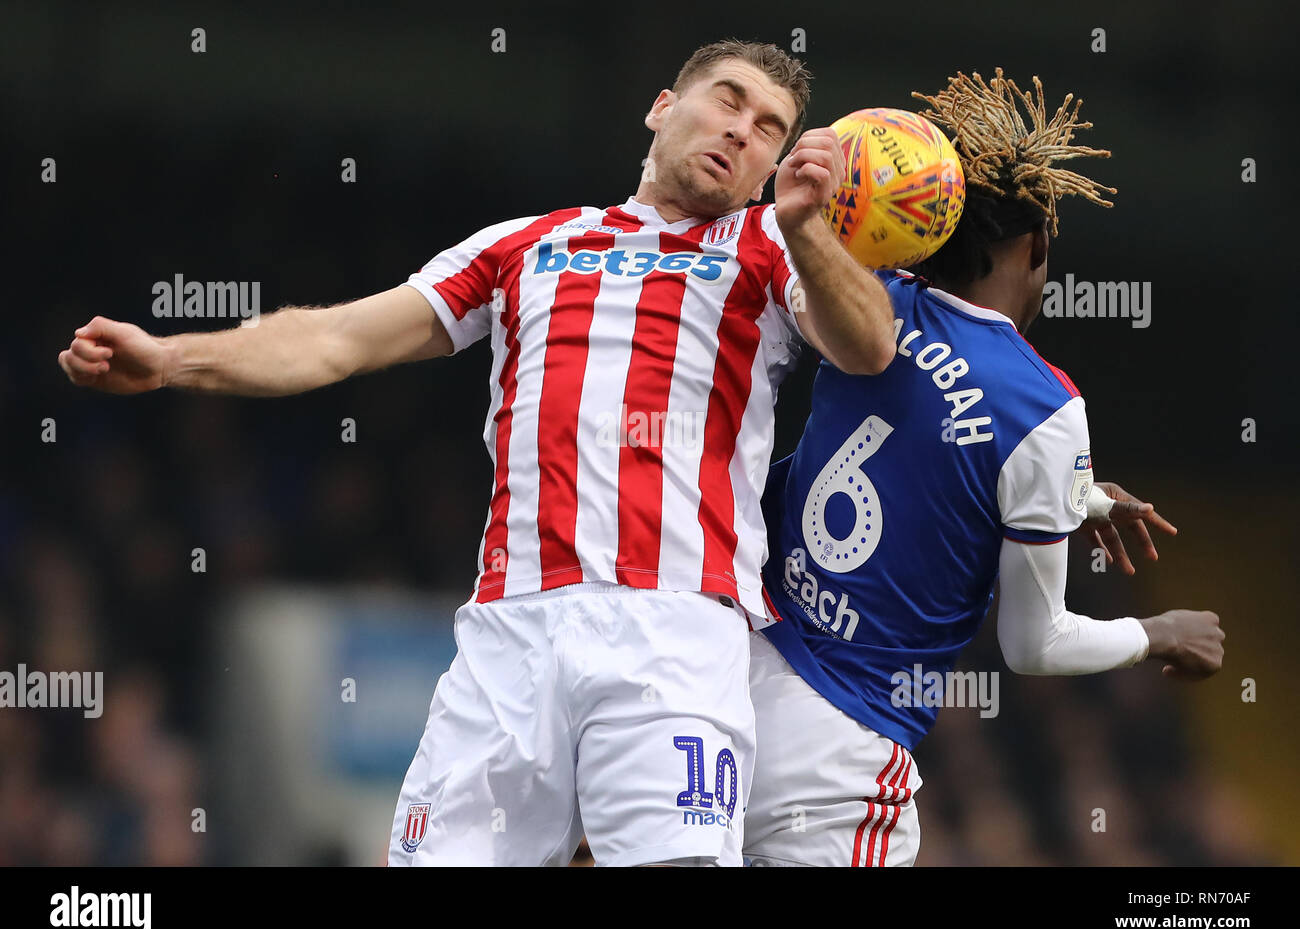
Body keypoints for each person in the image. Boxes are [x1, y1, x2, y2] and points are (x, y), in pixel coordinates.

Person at [57, 39, 899, 866]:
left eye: (770, 127)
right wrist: (170, 359)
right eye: (728, 98)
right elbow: (337, 339)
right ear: (663, 106)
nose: (743, 130)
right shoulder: (522, 246)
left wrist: (809, 230)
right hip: (510, 632)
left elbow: (871, 348)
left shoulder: (772, 250)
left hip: (675, 632)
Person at [742, 70, 1226, 867]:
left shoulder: (869, 297)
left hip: (736, 672)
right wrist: (1159, 632)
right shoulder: (1042, 407)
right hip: (840, 748)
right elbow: (1037, 644)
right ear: (1038, 246)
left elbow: (923, 443)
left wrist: (1082, 498)